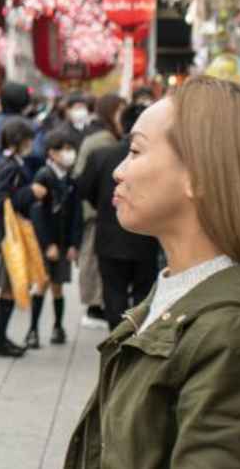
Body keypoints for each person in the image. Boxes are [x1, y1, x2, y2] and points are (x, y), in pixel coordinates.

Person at [66, 77, 240, 468]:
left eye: (135, 151)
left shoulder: (239, 334)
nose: (119, 171)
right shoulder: (180, 294)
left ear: (198, 174)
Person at [77, 103, 160, 329]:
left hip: (109, 234)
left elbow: (85, 189)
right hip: (146, 236)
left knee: (114, 291)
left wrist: (105, 207)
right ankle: (138, 334)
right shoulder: (159, 159)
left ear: (120, 124)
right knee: (144, 291)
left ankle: (118, 335)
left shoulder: (101, 155)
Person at [0, 119, 44, 358]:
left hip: (12, 233)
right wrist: (31, 192)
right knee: (9, 288)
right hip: (11, 236)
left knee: (10, 288)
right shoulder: (11, 166)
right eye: (28, 139)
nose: (32, 143)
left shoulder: (11, 162)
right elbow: (2, 201)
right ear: (19, 141)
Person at [24, 129, 83, 348]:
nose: (69, 154)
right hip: (46, 242)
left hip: (63, 241)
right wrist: (47, 244)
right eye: (64, 150)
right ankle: (32, 331)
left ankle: (58, 327)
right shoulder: (44, 176)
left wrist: (74, 244)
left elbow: (77, 213)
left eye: (71, 149)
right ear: (52, 153)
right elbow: (38, 214)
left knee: (58, 286)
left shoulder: (71, 178)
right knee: (42, 284)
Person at [73, 94, 125, 330]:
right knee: (93, 259)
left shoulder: (102, 137)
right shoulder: (103, 141)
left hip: (96, 210)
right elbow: (87, 181)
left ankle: (97, 305)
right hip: (96, 212)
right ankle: (94, 306)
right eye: (119, 111)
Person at [0, 82, 31, 169]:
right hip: (24, 179)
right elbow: (38, 157)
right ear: (26, 103)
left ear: (1, 100)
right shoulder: (33, 127)